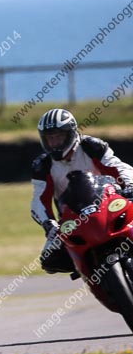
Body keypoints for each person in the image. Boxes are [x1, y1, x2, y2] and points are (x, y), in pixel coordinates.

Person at [31, 108, 133, 273]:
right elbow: (39, 200)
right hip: (72, 219)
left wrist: (129, 186)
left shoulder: (91, 147)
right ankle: (92, 272)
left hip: (109, 205)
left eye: (59, 137)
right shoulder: (42, 166)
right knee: (49, 260)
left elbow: (118, 167)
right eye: (50, 139)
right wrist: (48, 223)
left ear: (71, 133)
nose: (55, 143)